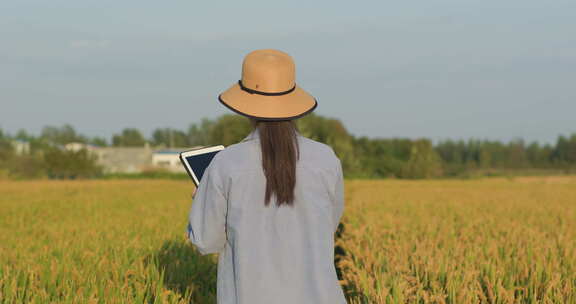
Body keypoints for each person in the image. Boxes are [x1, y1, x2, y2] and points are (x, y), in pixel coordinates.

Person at [186, 49, 346, 304]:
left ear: (245, 105)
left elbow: (207, 242)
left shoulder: (225, 164)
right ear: (292, 98)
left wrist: (200, 200)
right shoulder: (326, 159)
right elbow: (328, 226)